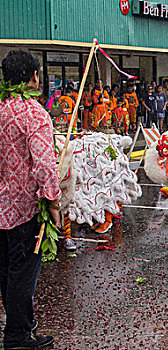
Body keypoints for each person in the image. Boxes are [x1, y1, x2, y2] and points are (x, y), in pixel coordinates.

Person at [0, 50, 58, 349]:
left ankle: (20, 326)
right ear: (32, 77)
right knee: (23, 273)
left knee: (7, 270)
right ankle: (17, 336)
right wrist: (53, 202)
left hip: (0, 208)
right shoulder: (35, 114)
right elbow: (45, 164)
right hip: (24, 208)